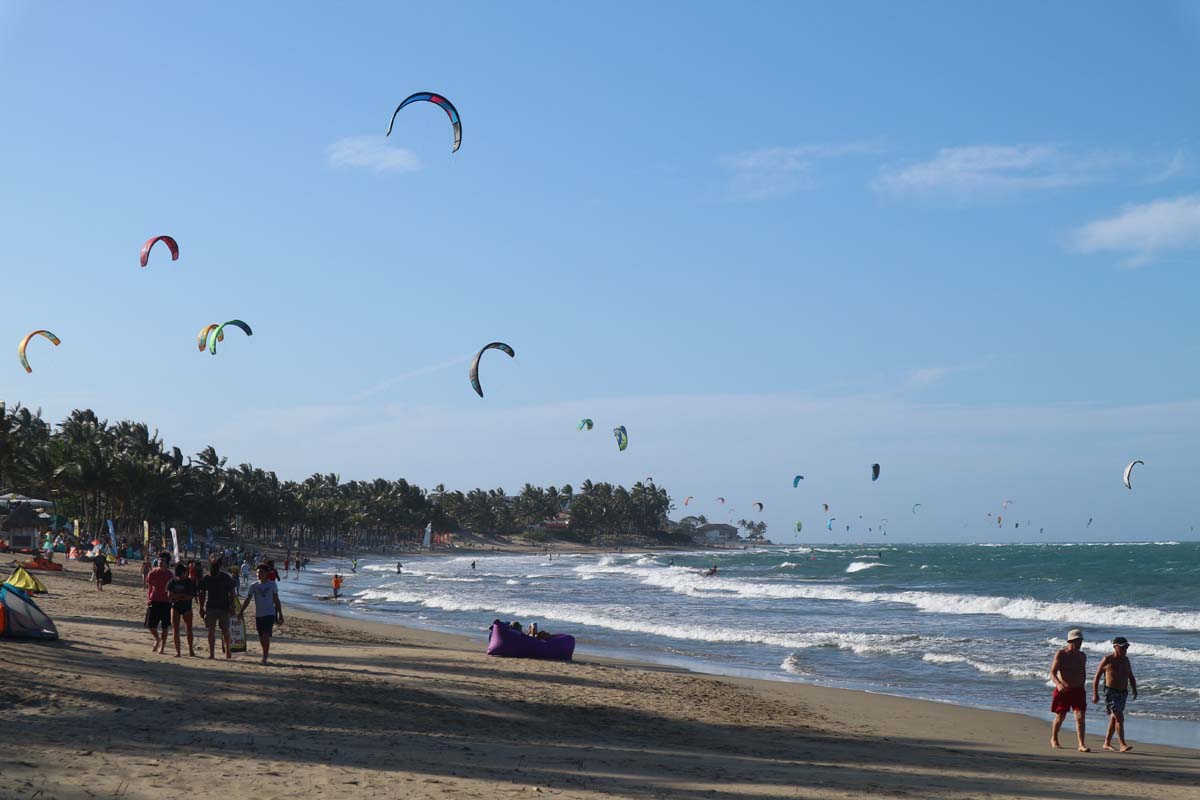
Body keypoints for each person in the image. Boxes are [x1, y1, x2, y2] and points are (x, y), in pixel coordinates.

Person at [1093, 636, 1137, 752]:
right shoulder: (1107, 659)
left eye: (1126, 647)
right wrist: (1095, 693)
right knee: (1119, 718)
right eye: (1122, 648)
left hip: (1123, 693)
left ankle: (1106, 743)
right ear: (1115, 647)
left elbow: (1131, 676)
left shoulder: (1126, 660)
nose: (1124, 650)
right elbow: (1097, 677)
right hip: (1110, 692)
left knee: (1115, 717)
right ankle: (1122, 744)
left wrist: (1134, 689)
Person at [1050, 629, 1090, 751]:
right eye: (1078, 641)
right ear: (1071, 641)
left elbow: (1083, 672)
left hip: (1079, 690)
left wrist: (1083, 686)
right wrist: (1058, 684)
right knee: (1060, 716)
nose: (1080, 643)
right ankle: (1054, 738)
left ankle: (1081, 744)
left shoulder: (1082, 656)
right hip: (1064, 690)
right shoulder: (1061, 654)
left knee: (1080, 717)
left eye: (1081, 641)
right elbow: (1052, 673)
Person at [241, 565, 284, 665]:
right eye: (257, 572)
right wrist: (241, 611)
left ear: (266, 574)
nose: (259, 574)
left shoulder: (272, 584)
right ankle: (265, 653)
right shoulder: (254, 585)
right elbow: (248, 600)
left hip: (270, 614)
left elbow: (276, 599)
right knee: (261, 637)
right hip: (259, 615)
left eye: (261, 572)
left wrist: (280, 614)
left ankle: (265, 656)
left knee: (265, 635)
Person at [198, 560, 237, 660]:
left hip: (224, 607)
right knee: (211, 630)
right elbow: (202, 593)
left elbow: (232, 592)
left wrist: (232, 605)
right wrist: (201, 608)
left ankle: (228, 650)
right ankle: (212, 653)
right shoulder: (207, 578)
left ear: (218, 569)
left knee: (225, 630)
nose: (213, 573)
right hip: (211, 607)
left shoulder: (225, 577)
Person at [144, 555, 174, 654]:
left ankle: (162, 647)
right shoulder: (153, 573)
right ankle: (157, 639)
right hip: (154, 600)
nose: (160, 562)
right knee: (150, 625)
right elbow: (150, 587)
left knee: (165, 626)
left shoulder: (170, 575)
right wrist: (148, 598)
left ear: (166, 563)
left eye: (163, 561)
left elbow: (172, 589)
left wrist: (172, 599)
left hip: (166, 602)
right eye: (159, 560)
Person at [167, 562, 197, 657]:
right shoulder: (173, 581)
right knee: (175, 629)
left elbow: (190, 596)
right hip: (175, 607)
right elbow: (169, 595)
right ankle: (178, 652)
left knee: (189, 629)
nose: (185, 573)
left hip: (187, 607)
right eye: (184, 572)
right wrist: (182, 596)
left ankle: (191, 650)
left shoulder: (189, 582)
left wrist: (178, 597)